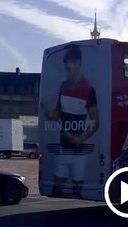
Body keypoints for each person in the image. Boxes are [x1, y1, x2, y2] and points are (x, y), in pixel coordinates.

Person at [42, 45, 99, 198]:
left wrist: (80, 138)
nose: (67, 72)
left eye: (69, 68)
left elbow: (95, 122)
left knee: (78, 192)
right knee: (56, 190)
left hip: (79, 153)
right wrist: (47, 112)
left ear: (78, 63)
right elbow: (56, 114)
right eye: (66, 69)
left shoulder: (88, 90)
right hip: (62, 149)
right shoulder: (63, 86)